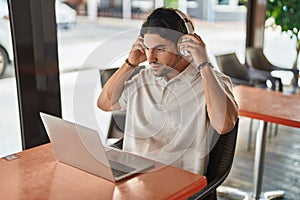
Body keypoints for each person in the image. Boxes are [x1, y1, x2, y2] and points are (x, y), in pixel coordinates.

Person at [97, 7, 238, 175]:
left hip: (177, 182)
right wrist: (130, 63)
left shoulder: (211, 82)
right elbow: (105, 104)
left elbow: (224, 125)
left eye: (160, 49)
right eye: (148, 48)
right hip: (132, 176)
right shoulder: (143, 78)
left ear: (184, 46)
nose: (150, 59)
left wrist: (204, 64)